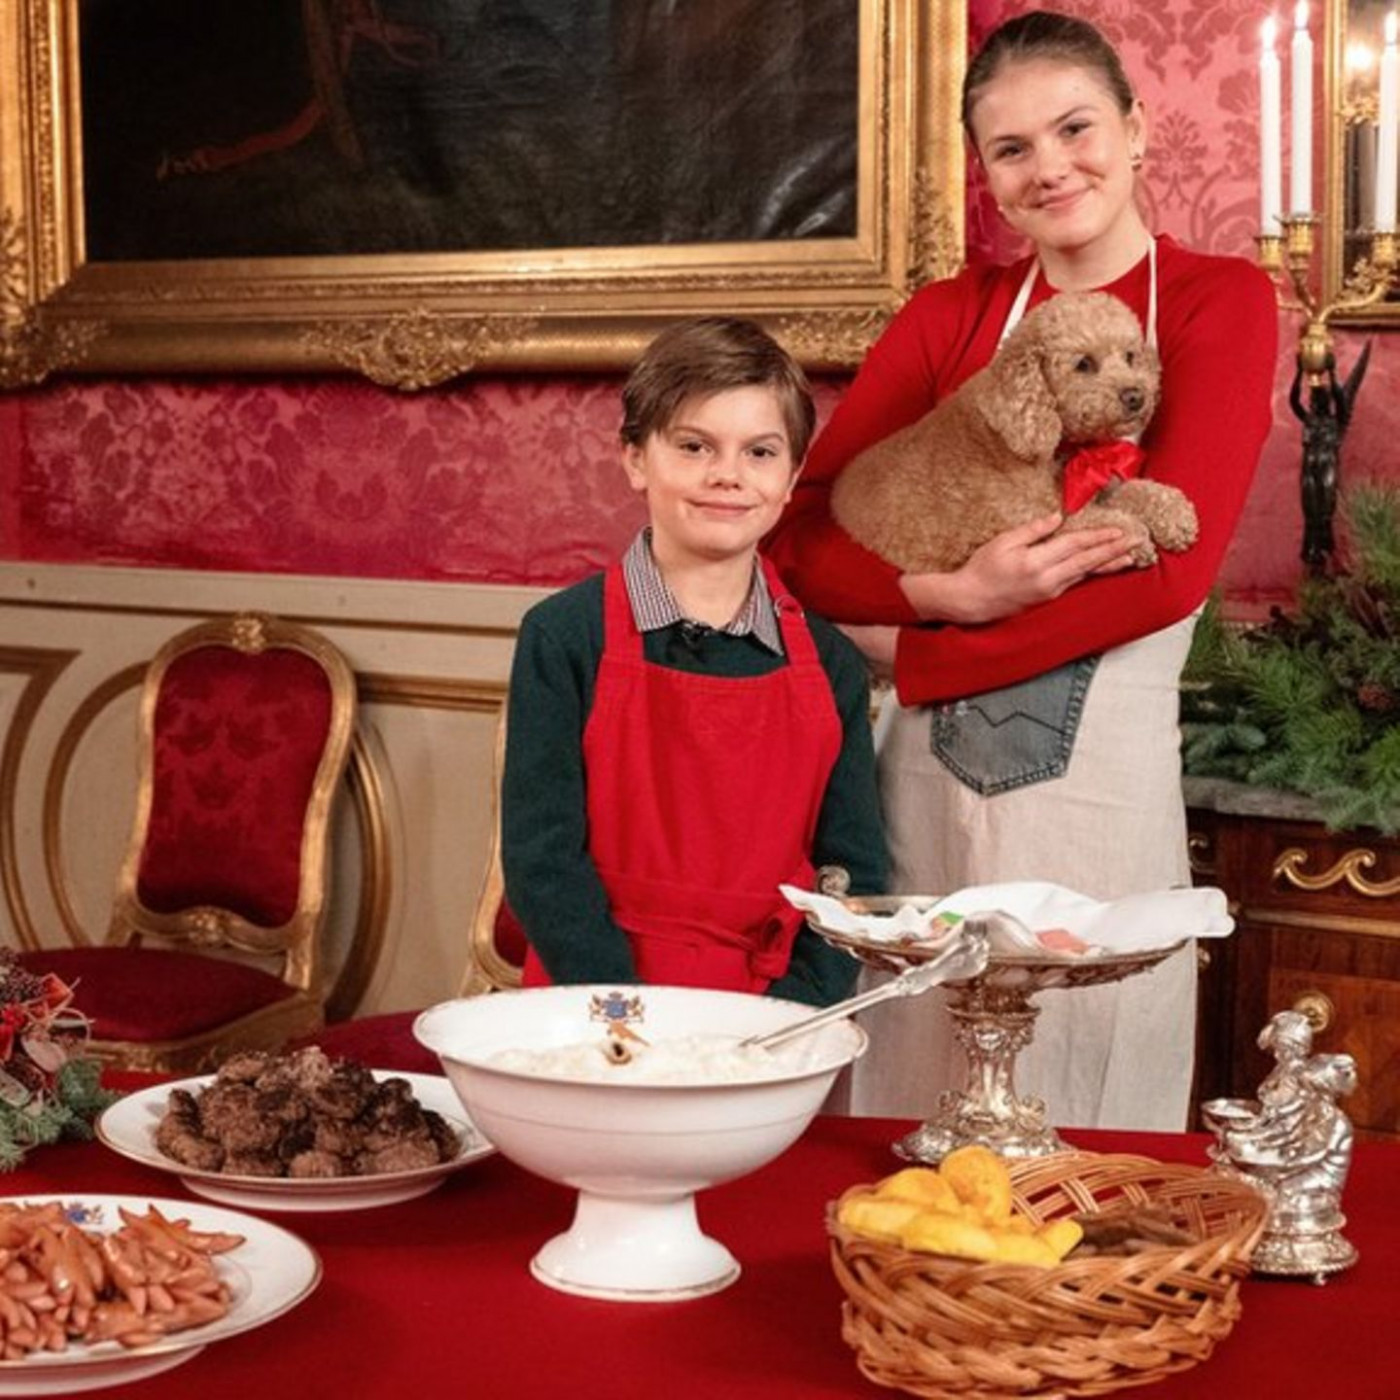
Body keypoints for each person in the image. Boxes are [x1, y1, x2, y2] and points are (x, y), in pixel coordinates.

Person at [764, 11, 1278, 1127]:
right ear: (985, 176)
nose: (1049, 167)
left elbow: (1163, 575)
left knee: (1086, 1108)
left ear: (1137, 131)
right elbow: (799, 538)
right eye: (1010, 148)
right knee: (912, 1090)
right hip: (918, 806)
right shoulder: (950, 318)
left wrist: (921, 656)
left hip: (1094, 803)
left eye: (1074, 128)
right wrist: (942, 595)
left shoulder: (1215, 302)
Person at [501, 316, 887, 1006]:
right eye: (694, 446)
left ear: (794, 475)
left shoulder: (832, 665)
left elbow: (851, 871)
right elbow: (542, 860)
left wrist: (792, 1012)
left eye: (760, 453)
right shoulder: (563, 638)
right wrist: (629, 1010)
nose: (727, 476)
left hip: (769, 1017)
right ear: (634, 458)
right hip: (595, 1006)